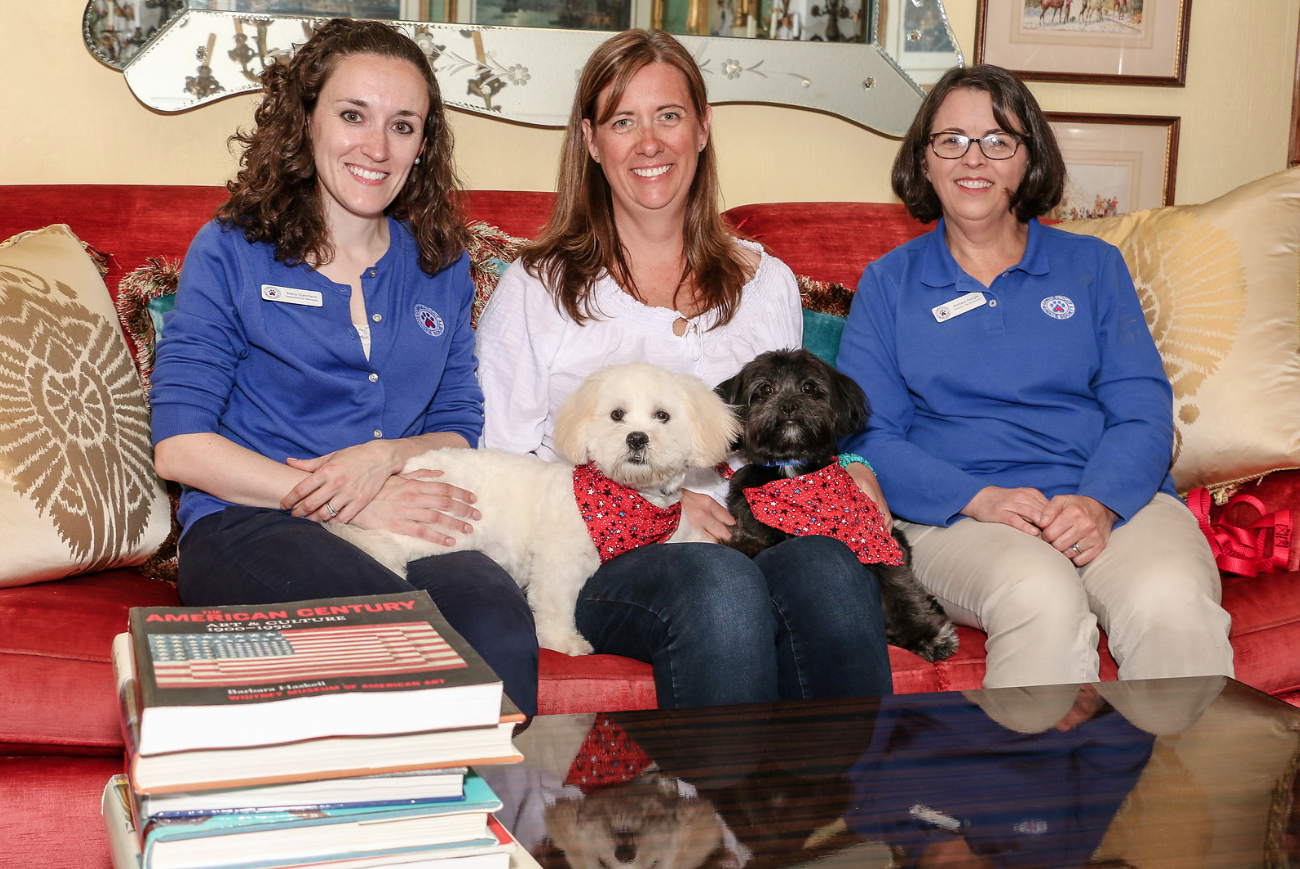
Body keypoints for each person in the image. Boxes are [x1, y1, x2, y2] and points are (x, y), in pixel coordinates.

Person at [474, 28, 893, 709]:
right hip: (597, 553)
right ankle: (716, 814)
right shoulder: (537, 286)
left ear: (701, 129)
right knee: (717, 586)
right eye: (622, 120)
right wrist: (656, 509)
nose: (649, 142)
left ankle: (832, 809)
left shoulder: (767, 283)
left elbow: (788, 436)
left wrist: (852, 468)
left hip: (750, 531)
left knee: (831, 569)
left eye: (668, 116)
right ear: (590, 140)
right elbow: (503, 459)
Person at [149, 18, 539, 715]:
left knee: (499, 617)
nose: (376, 147)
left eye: (403, 125)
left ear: (424, 145)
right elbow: (180, 446)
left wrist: (386, 458)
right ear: (307, 121)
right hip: (250, 521)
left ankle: (484, 817)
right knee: (395, 630)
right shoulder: (230, 249)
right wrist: (344, 495)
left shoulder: (439, 264)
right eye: (353, 115)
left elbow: (456, 425)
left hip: (399, 512)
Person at [836, 63, 1234, 689]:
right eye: (952, 140)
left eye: (999, 140)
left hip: (1114, 505)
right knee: (1039, 594)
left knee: (1172, 601)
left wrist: (1099, 503)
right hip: (961, 520)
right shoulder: (889, 284)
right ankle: (1027, 787)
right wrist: (979, 499)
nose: (975, 159)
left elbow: (1142, 410)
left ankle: (1177, 789)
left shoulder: (1094, 267)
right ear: (926, 159)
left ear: (1029, 161)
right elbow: (866, 437)